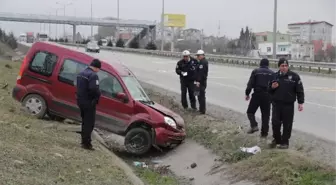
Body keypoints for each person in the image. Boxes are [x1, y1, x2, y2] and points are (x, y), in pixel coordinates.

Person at [268, 58, 304, 149]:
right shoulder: (274, 76)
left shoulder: (294, 76)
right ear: (279, 67)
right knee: (275, 123)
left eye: (286, 66)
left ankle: (285, 142)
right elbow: (268, 90)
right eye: (282, 66)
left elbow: (299, 90)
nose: (284, 67)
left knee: (287, 124)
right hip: (276, 104)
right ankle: (277, 139)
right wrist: (272, 87)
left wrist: (300, 102)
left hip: (288, 104)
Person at [245, 58, 274, 138]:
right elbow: (274, 86)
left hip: (257, 94)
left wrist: (247, 93)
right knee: (266, 115)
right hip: (267, 96)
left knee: (250, 112)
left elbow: (250, 84)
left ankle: (254, 126)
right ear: (268, 65)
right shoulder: (272, 73)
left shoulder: (256, 71)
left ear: (260, 64)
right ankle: (264, 134)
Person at [76, 59, 102, 150]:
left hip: (80, 101)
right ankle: (87, 144)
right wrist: (98, 95)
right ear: (96, 67)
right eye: (99, 69)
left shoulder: (81, 73)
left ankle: (83, 141)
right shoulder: (93, 75)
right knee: (89, 124)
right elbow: (94, 89)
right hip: (89, 103)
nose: (98, 71)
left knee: (84, 122)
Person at [194, 49, 209, 114]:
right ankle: (200, 108)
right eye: (197, 56)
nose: (197, 57)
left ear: (202, 55)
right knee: (197, 94)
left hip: (200, 82)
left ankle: (202, 110)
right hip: (197, 82)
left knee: (201, 96)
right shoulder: (200, 61)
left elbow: (201, 73)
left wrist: (198, 82)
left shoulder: (203, 62)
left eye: (198, 56)